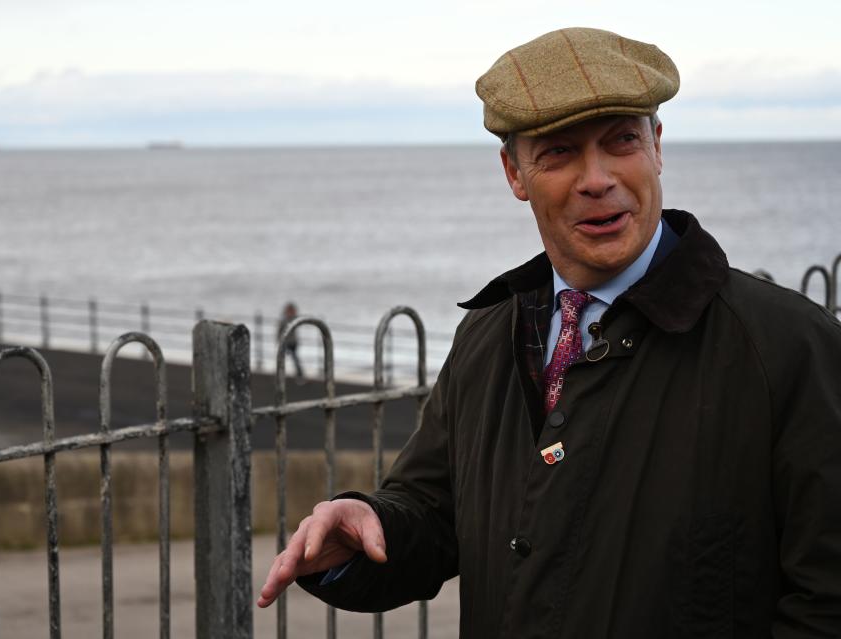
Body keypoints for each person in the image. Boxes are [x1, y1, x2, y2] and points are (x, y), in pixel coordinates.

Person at [258, 27, 841, 637]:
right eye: (559, 152)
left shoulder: (786, 347)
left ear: (658, 145)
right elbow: (433, 514)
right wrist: (368, 526)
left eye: (621, 141)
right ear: (514, 172)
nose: (598, 179)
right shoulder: (486, 335)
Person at [277, 301, 305, 381]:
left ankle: (299, 374)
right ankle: (280, 373)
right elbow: (279, 331)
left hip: (292, 342)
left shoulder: (294, 319)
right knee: (281, 358)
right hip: (285, 342)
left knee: (295, 358)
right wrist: (279, 341)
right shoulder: (283, 320)